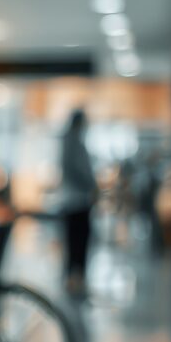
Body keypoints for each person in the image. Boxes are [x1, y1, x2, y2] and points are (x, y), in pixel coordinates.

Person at [59, 109, 97, 294]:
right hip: (76, 201)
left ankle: (75, 277)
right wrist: (91, 184)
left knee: (77, 240)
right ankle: (74, 277)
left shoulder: (73, 141)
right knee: (77, 241)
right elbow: (75, 169)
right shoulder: (72, 142)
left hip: (77, 200)